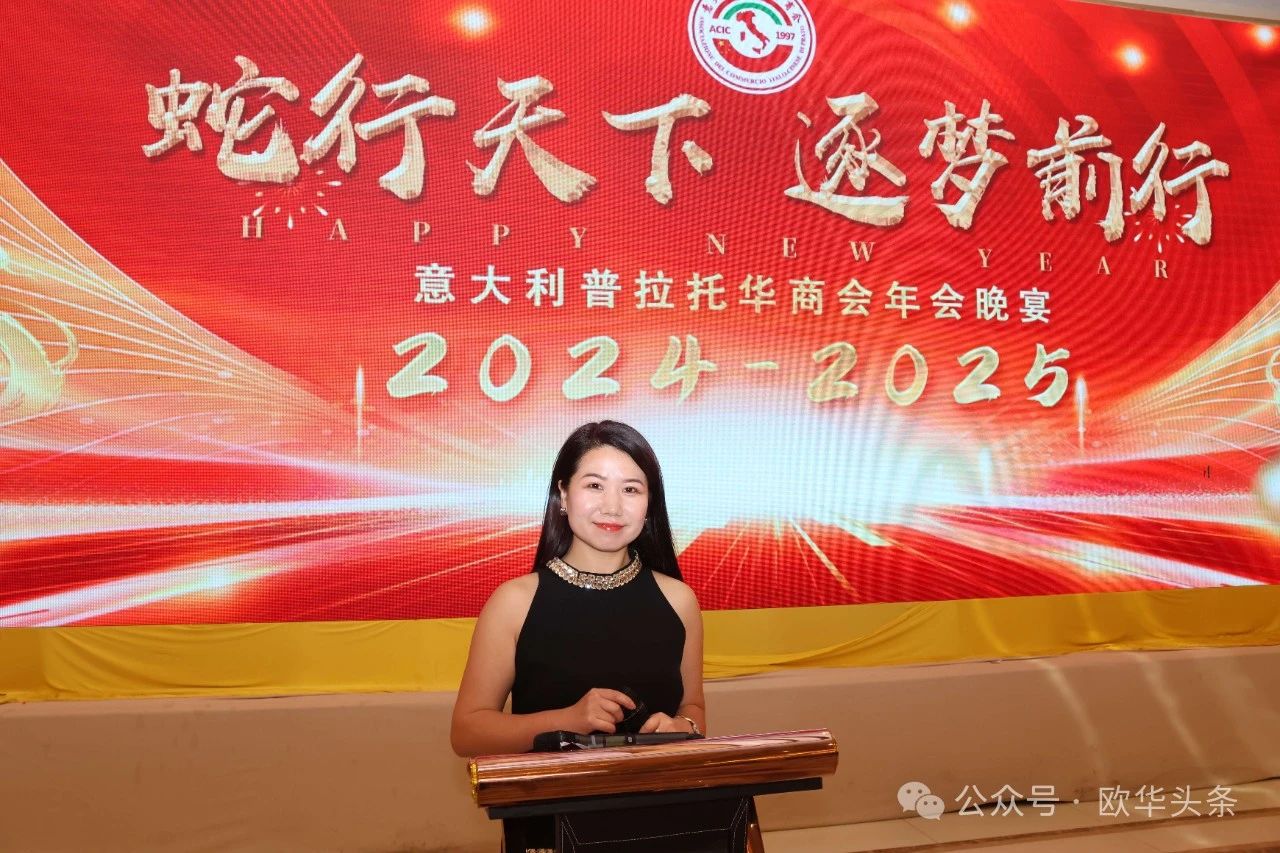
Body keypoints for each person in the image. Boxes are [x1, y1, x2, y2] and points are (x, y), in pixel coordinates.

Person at [451, 420, 705, 758]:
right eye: (595, 485)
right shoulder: (514, 602)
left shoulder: (679, 600)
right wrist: (568, 720)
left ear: (649, 504)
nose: (612, 507)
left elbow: (693, 708)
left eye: (631, 490)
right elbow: (467, 734)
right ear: (563, 494)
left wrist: (683, 726)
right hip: (552, 793)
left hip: (662, 790)